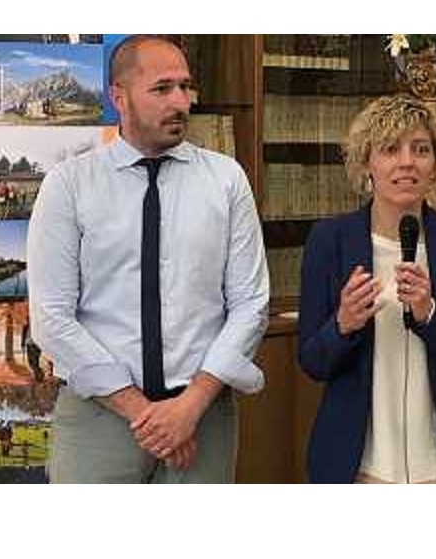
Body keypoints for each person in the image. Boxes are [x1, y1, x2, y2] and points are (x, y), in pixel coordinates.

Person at [27, 34, 269, 483]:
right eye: (162, 89)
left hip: (203, 415)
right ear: (118, 97)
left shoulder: (226, 180)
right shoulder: (70, 184)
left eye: (185, 86)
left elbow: (251, 304)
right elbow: (51, 317)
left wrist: (189, 407)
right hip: (99, 419)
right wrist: (145, 414)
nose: (180, 101)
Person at [298, 94, 436, 483]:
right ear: (366, 163)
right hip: (359, 468)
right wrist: (342, 324)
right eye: (391, 149)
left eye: (421, 149)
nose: (407, 162)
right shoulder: (330, 240)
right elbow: (312, 362)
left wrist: (431, 316)